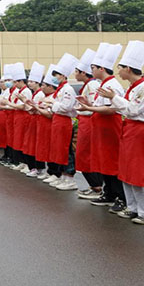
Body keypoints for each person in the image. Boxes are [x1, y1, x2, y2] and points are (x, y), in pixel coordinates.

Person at [99, 41, 144, 224]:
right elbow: (125, 110)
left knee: (140, 171)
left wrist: (113, 98)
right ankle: (133, 208)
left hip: (139, 131)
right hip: (129, 130)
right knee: (126, 170)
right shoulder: (132, 88)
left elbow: (132, 110)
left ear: (129, 69)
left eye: (121, 68)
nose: (119, 72)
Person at [76, 43, 126, 211]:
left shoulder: (112, 85)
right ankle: (109, 193)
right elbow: (100, 105)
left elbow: (112, 109)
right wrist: (88, 104)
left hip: (110, 127)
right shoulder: (102, 85)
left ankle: (120, 196)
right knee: (104, 161)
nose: (92, 71)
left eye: (93, 68)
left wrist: (89, 108)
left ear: (101, 68)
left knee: (112, 161)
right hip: (102, 128)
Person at [69, 49, 103, 193]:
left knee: (87, 154)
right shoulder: (87, 85)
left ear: (83, 73)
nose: (75, 74)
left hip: (89, 122)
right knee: (83, 154)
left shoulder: (93, 85)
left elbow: (93, 106)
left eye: (77, 71)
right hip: (84, 121)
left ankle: (97, 185)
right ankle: (93, 185)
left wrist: (83, 107)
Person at [47, 53, 79, 190]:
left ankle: (70, 178)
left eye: (57, 75)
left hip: (64, 121)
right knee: (59, 150)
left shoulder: (67, 89)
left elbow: (66, 107)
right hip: (57, 120)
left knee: (66, 150)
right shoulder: (60, 90)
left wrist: (52, 103)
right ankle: (62, 177)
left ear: (64, 76)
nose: (55, 78)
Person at [22, 63, 46, 177]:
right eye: (29, 81)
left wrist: (25, 102)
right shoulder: (35, 93)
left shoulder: (40, 94)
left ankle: (38, 168)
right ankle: (33, 167)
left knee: (36, 144)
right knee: (31, 144)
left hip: (37, 120)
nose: (29, 83)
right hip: (33, 120)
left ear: (38, 82)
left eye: (32, 81)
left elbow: (33, 109)